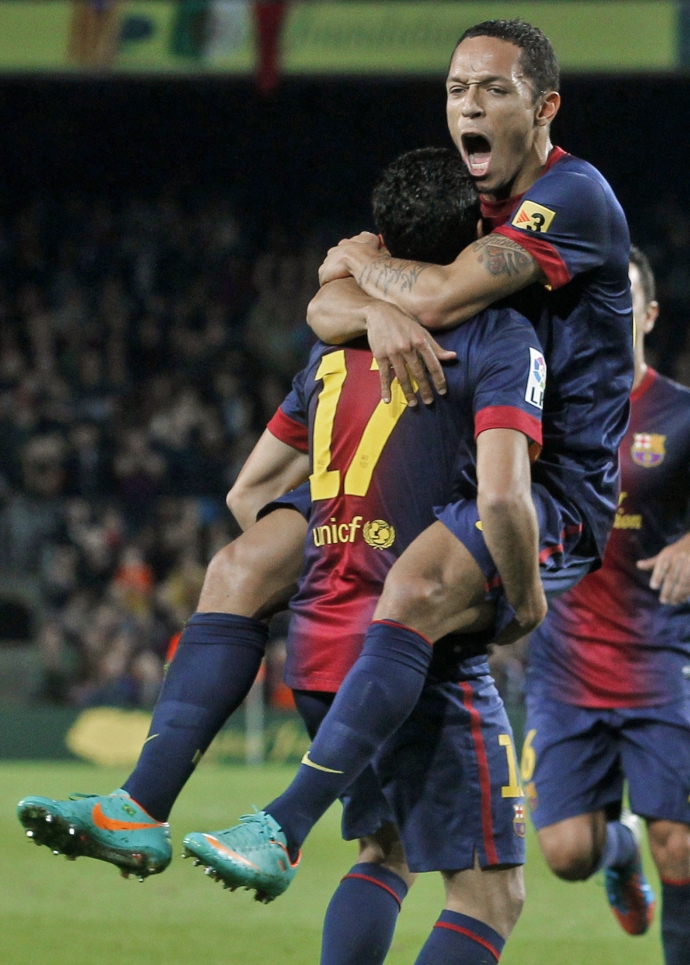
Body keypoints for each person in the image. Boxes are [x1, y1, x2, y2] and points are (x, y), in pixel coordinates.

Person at [19, 149, 538, 965]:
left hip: (319, 649)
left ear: (383, 239)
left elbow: (247, 493)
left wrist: (334, 542)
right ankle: (276, 825)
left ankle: (142, 803)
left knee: (385, 850)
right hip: (412, 655)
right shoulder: (497, 336)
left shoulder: (331, 352)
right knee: (489, 893)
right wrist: (516, 596)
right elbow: (504, 497)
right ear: (475, 238)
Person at [201, 15, 633, 910]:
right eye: (456, 90)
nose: (468, 107)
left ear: (544, 107)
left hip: (548, 488)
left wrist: (370, 272)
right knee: (245, 561)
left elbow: (430, 293)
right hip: (442, 473)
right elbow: (324, 308)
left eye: (494, 90)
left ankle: (283, 820)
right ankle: (140, 798)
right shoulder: (454, 202)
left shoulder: (574, 196)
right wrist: (376, 306)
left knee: (413, 587)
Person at [523, 247, 690, 965]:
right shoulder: (544, 408)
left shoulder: (681, 414)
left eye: (625, 298)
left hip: (662, 660)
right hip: (566, 666)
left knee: (679, 841)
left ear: (647, 314)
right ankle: (618, 850)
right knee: (567, 854)